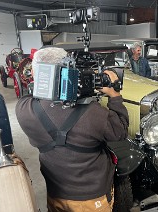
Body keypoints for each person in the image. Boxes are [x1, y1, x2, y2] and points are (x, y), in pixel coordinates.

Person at [15, 47, 129, 212]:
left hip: (56, 194)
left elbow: (34, 95)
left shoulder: (23, 109)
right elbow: (120, 131)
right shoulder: (94, 113)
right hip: (92, 198)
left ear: (35, 74)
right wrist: (115, 95)